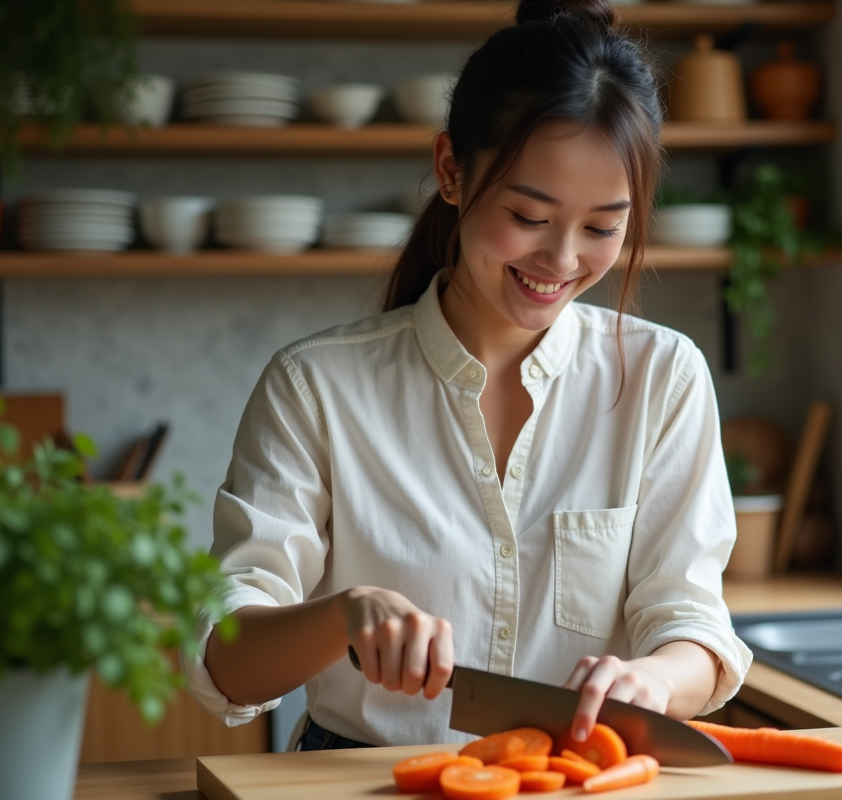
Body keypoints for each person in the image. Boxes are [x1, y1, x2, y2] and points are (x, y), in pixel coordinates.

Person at [183, 0, 751, 751]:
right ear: (451, 170)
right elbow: (226, 659)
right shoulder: (314, 387)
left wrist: (655, 680)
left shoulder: (662, 377)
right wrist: (343, 615)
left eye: (603, 227)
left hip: (577, 777)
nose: (562, 259)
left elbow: (694, 626)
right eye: (529, 215)